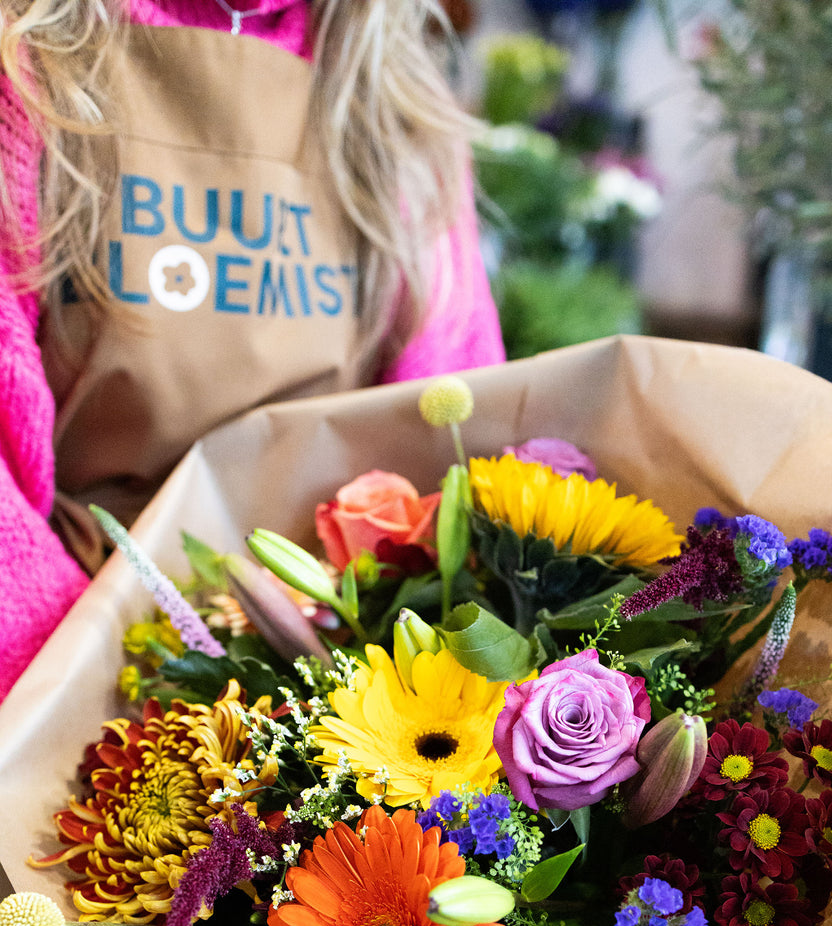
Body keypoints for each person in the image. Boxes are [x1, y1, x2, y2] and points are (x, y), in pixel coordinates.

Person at [0, 0, 504, 700]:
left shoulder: (398, 103)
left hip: (337, 669)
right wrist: (96, 693)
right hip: (77, 659)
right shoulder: (26, 68)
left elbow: (454, 427)